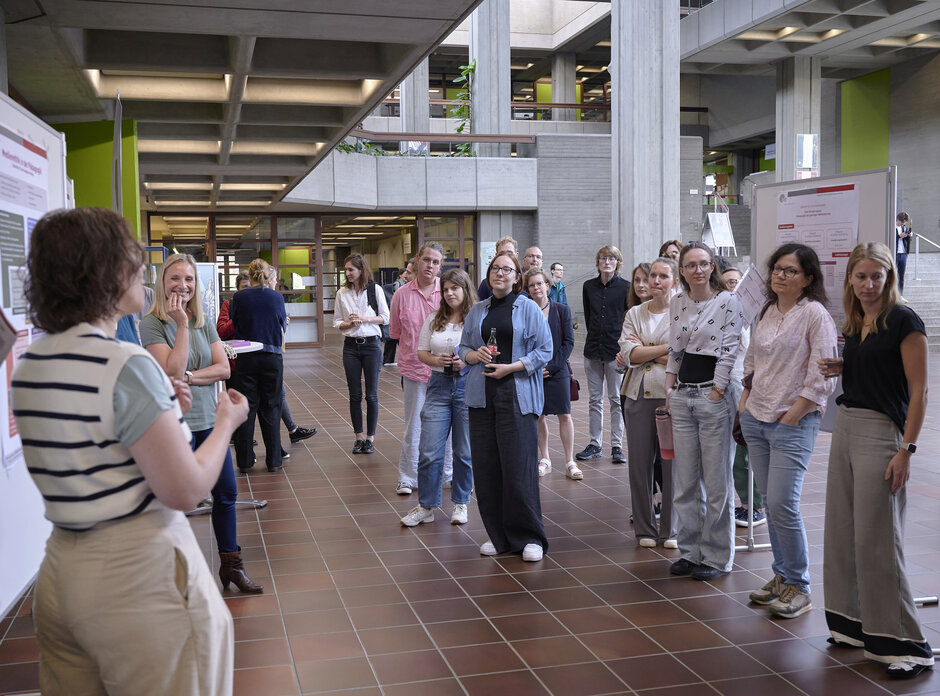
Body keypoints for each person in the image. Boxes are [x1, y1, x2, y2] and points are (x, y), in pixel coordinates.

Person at [14, 207, 248, 695]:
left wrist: (163, 407)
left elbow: (96, 448)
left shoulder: (32, 362)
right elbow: (185, 489)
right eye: (134, 261)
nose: (144, 274)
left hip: (61, 574)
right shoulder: (126, 363)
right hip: (138, 576)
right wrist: (226, 423)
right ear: (104, 272)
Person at [818, 242, 933, 679]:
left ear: (889, 278)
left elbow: (919, 392)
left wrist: (906, 449)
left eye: (876, 277)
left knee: (878, 537)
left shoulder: (905, 321)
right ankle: (852, 624)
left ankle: (907, 643)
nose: (868, 284)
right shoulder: (855, 321)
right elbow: (871, 371)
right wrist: (842, 366)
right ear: (850, 278)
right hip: (846, 425)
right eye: (860, 276)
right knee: (843, 529)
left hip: (881, 434)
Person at [140, 253, 263, 595]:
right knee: (175, 501)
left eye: (189, 279)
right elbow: (170, 371)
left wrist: (193, 377)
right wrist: (179, 324)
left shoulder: (203, 320)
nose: (183, 285)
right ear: (163, 282)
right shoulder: (152, 324)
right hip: (176, 426)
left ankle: (231, 567)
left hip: (210, 420)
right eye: (175, 278)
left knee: (226, 493)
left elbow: (224, 369)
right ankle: (174, 577)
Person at [738, 243, 837, 618]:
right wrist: (745, 402)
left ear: (808, 278)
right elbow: (751, 360)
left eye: (790, 270)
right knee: (769, 500)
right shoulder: (765, 310)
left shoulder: (815, 315)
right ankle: (781, 577)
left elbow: (823, 375)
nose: (780, 275)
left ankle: (799, 585)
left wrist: (793, 414)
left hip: (792, 422)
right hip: (757, 418)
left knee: (783, 503)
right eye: (777, 268)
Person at [459, 251, 552, 561]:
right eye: (495, 268)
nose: (500, 273)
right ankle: (499, 537)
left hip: (516, 395)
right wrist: (476, 355)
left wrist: (511, 367)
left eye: (507, 270)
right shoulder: (477, 310)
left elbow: (545, 350)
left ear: (517, 278)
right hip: (481, 396)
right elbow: (463, 348)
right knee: (487, 468)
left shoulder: (528, 308)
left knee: (518, 468)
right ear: (489, 274)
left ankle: (530, 537)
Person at [665, 241, 743, 581]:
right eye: (690, 265)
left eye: (703, 263)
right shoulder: (678, 301)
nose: (698, 269)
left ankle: (716, 556)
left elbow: (729, 351)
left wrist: (716, 391)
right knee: (685, 482)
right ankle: (691, 550)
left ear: (712, 267)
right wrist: (669, 386)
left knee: (716, 482)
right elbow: (675, 347)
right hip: (682, 395)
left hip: (713, 397)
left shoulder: (728, 302)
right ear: (681, 271)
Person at [400, 269, 476, 527]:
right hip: (438, 385)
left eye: (455, 288)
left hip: (467, 386)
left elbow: (485, 352)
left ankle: (461, 502)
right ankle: (426, 506)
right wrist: (438, 360)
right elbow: (421, 352)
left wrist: (464, 363)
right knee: (429, 450)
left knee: (463, 452)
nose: (450, 293)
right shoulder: (434, 318)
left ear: (465, 289)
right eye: (445, 289)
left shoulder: (475, 318)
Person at [218, 272, 315, 456]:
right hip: (237, 364)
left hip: (265, 359)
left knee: (272, 403)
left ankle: (279, 445)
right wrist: (240, 317)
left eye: (250, 287)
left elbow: (274, 329)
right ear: (238, 291)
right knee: (246, 407)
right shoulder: (230, 305)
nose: (249, 292)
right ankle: (247, 451)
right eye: (244, 288)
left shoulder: (267, 301)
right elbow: (222, 330)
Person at [619, 257, 679, 549]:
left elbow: (682, 357)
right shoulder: (634, 313)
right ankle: (645, 528)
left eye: (663, 276)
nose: (655, 281)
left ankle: (671, 530)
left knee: (672, 465)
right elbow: (629, 354)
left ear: (675, 281)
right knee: (640, 465)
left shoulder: (684, 313)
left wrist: (645, 350)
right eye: (652, 275)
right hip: (637, 395)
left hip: (671, 395)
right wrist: (664, 350)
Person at [389, 242, 452, 495]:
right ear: (417, 260)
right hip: (414, 371)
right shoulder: (401, 295)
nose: (431, 266)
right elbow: (395, 332)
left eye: (436, 262)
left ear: (441, 266)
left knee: (447, 426)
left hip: (443, 371)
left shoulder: (448, 293)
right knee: (413, 426)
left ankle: (448, 474)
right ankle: (407, 477)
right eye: (427, 260)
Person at [230, 258, 287, 473]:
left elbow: (235, 323)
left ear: (250, 275)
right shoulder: (276, 297)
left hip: (246, 356)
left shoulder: (239, 296)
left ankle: (244, 461)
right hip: (272, 356)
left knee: (247, 407)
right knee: (272, 406)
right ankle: (274, 460)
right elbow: (281, 323)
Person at [719, 264, 765, 528]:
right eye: (727, 283)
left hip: (742, 384)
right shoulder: (722, 311)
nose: (732, 287)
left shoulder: (751, 316)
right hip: (722, 385)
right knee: (729, 450)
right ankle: (741, 503)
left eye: (736, 282)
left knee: (745, 450)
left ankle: (755, 505)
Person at [577, 245, 630, 464]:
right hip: (593, 350)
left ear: (618, 262)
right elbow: (589, 318)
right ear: (598, 262)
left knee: (616, 399)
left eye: (611, 259)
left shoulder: (626, 287)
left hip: (615, 352)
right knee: (595, 400)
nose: (607, 262)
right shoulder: (588, 286)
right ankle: (595, 443)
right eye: (603, 258)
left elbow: (628, 319)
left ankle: (616, 445)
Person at [524, 268, 577, 480]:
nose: (536, 288)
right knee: (539, 415)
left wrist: (552, 367)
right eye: (531, 285)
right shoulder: (525, 312)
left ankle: (569, 460)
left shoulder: (561, 310)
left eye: (540, 283)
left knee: (565, 414)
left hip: (558, 369)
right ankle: (544, 458)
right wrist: (535, 367)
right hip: (534, 371)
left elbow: (568, 342)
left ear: (548, 285)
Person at [333, 253, 389, 453]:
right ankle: (358, 438)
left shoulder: (375, 290)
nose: (347, 273)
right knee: (355, 395)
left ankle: (370, 439)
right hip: (350, 347)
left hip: (372, 346)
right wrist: (348, 324)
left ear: (361, 270)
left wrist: (364, 319)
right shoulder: (342, 293)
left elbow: (385, 317)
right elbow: (337, 321)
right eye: (346, 270)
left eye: (351, 270)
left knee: (371, 395)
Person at [382, 260, 414, 364]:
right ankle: (389, 360)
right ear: (400, 275)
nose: (407, 277)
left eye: (409, 273)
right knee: (394, 340)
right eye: (406, 274)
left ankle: (389, 360)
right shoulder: (399, 289)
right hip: (395, 319)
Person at [477, 236, 518, 302]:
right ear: (496, 255)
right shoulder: (487, 283)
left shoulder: (527, 282)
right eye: (501, 253)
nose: (506, 256)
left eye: (510, 253)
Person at [895, 211, 912, 293]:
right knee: (893, 276)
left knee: (901, 276)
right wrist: (898, 236)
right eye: (903, 222)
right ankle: (893, 296)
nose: (903, 224)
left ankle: (900, 295)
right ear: (898, 219)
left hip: (903, 254)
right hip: (895, 254)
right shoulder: (892, 228)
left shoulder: (904, 228)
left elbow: (908, 242)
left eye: (905, 222)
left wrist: (909, 236)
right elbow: (890, 240)